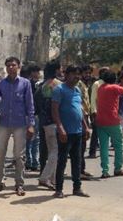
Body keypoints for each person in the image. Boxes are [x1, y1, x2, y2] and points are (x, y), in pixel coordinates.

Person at [0, 56, 35, 196]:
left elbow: (30, 105)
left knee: (19, 156)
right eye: (8, 65)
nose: (11, 67)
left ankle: (19, 184)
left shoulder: (25, 83)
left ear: (18, 67)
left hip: (20, 124)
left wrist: (31, 124)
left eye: (13, 65)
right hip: (3, 123)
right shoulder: (1, 84)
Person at [52, 66, 91, 198]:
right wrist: (60, 128)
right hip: (65, 132)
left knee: (77, 161)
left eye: (78, 74)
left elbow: (79, 110)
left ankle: (77, 188)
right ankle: (58, 189)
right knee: (62, 161)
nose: (77, 77)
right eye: (74, 74)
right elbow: (55, 111)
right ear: (66, 75)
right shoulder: (59, 89)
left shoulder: (77, 90)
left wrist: (85, 126)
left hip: (78, 132)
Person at [95, 72, 123, 178]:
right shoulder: (114, 87)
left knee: (104, 147)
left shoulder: (101, 88)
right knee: (118, 145)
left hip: (100, 120)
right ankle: (118, 168)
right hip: (112, 120)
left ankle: (105, 171)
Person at [36, 61, 62, 190]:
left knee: (52, 151)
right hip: (55, 123)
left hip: (45, 123)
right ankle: (44, 178)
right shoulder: (58, 85)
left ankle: (53, 179)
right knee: (55, 152)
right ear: (56, 70)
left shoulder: (41, 85)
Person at [87, 67, 108, 159]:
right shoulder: (96, 84)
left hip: (107, 112)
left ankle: (104, 152)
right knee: (96, 133)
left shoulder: (109, 84)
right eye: (105, 73)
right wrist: (94, 112)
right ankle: (92, 152)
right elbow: (93, 98)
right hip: (97, 112)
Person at [25, 65, 42, 171]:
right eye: (37, 71)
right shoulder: (28, 84)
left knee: (36, 139)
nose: (38, 73)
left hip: (37, 113)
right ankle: (29, 161)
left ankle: (34, 162)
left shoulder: (40, 84)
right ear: (32, 73)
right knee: (30, 139)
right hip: (29, 114)